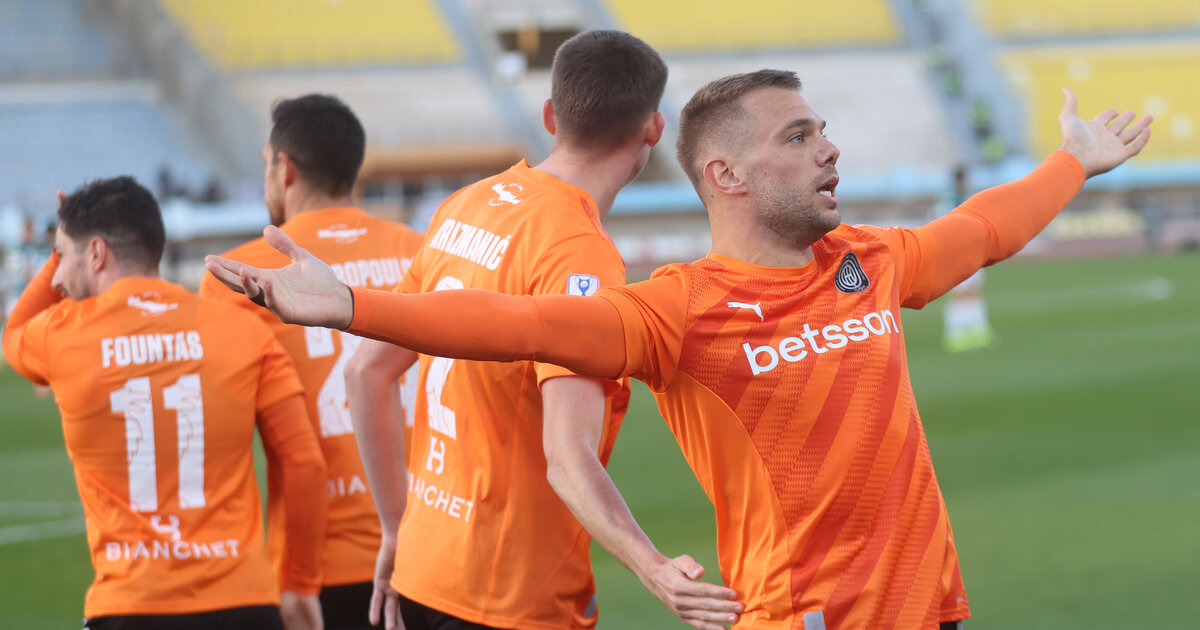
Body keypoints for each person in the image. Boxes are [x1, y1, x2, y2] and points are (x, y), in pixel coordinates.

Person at [205, 74, 1151, 630]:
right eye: (799, 136)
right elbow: (516, 325)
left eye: (822, 130)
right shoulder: (678, 311)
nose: (828, 149)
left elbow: (982, 229)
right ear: (725, 174)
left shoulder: (868, 261)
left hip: (931, 608)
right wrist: (354, 306)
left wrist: (1073, 161)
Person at [340, 29, 740, 630]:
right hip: (509, 593)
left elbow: (366, 370)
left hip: (424, 569)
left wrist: (396, 528)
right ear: (654, 129)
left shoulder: (465, 203)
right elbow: (566, 454)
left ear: (550, 115)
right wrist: (653, 566)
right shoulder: (579, 252)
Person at [3, 177, 329, 630]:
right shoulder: (244, 329)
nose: (57, 275)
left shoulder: (62, 334)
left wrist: (60, 242)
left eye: (60, 255)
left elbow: (13, 334)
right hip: (242, 602)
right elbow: (304, 462)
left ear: (96, 253)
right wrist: (302, 583)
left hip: (129, 605)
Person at [199, 94, 424, 630]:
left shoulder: (240, 275)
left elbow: (214, 442)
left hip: (321, 567)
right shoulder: (424, 251)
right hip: (433, 548)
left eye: (265, 165)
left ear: (285, 168)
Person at [940, 166, 994, 352]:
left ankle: (976, 330)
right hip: (957, 253)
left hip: (970, 251)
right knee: (960, 294)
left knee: (973, 291)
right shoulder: (950, 202)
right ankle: (956, 334)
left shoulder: (961, 199)